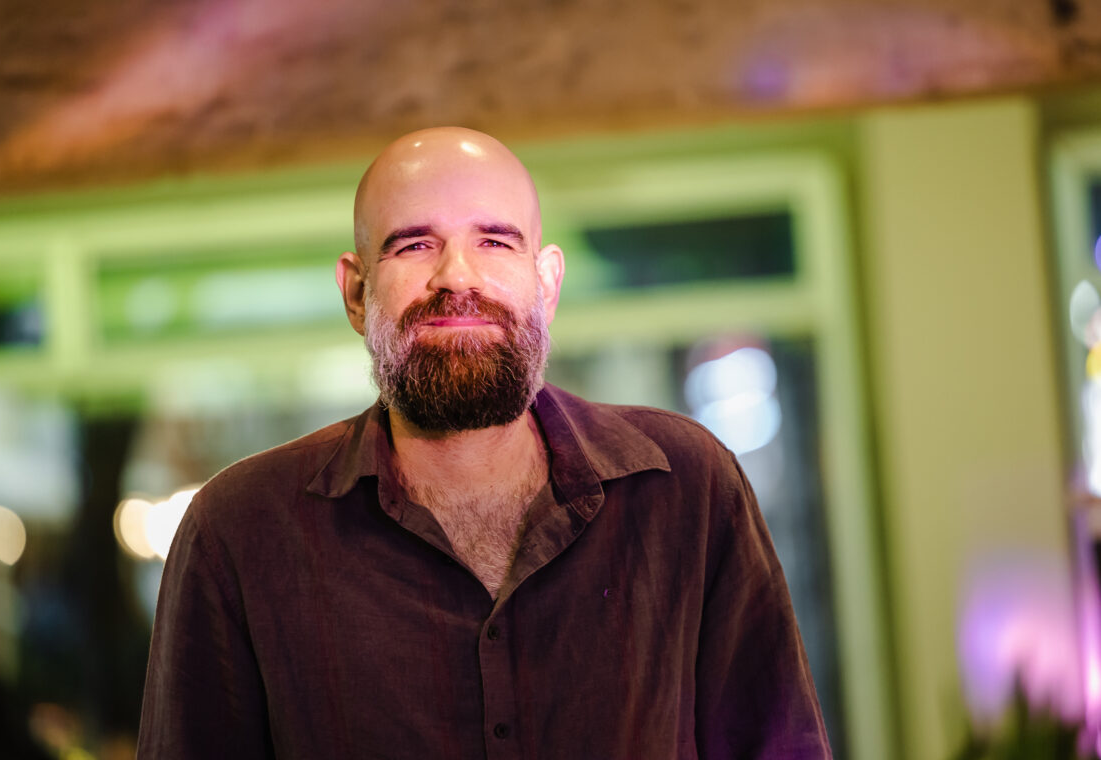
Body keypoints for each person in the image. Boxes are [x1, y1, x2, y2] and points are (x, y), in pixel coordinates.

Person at [136, 127, 832, 759]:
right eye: (415, 244)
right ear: (356, 292)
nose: (457, 276)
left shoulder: (686, 486)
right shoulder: (240, 531)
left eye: (495, 241)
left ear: (547, 283)